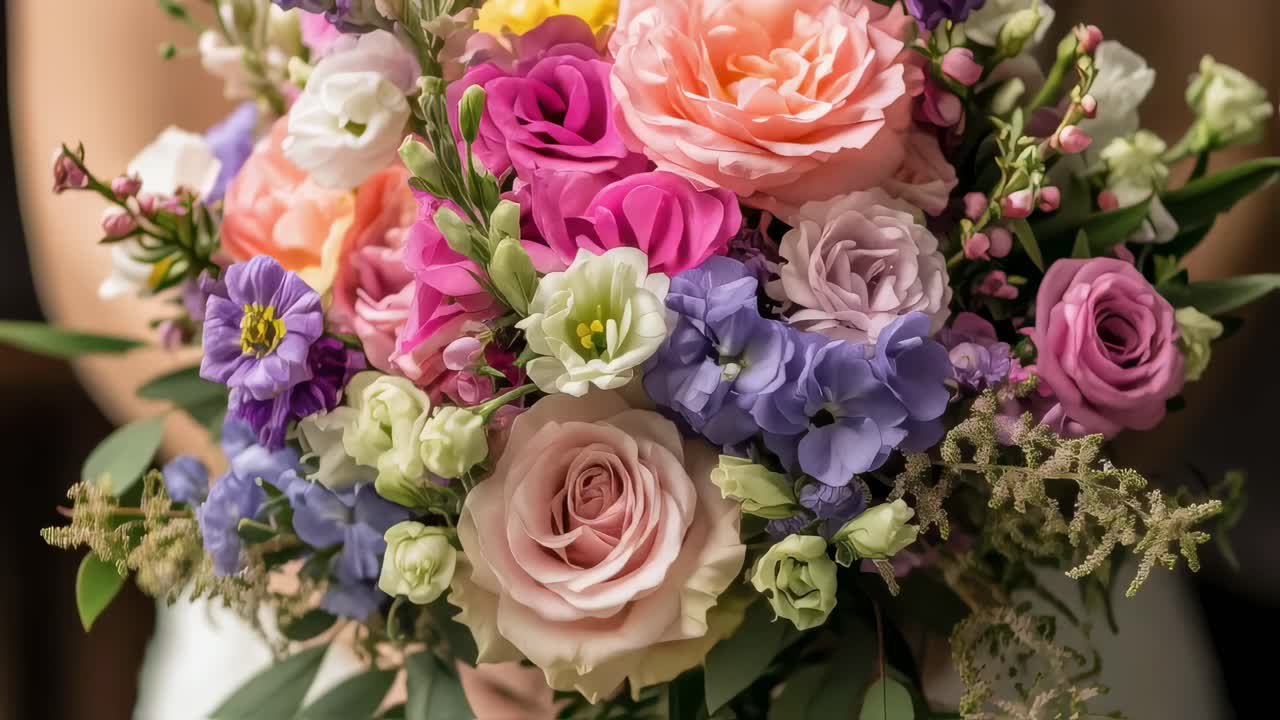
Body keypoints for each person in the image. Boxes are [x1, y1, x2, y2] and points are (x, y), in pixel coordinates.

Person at [15, 1, 1274, 718]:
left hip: (976, 620)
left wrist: (951, 547)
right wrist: (418, 601)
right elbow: (105, 202)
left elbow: (1215, 152)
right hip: (401, 651)